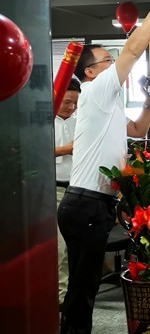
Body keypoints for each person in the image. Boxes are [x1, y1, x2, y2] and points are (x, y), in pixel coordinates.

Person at [58, 0, 150, 334]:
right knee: (81, 290)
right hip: (86, 204)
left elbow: (138, 128)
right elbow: (133, 49)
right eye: (108, 61)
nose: (115, 64)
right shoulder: (95, 90)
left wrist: (149, 102)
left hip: (90, 205)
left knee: (85, 286)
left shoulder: (105, 104)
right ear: (91, 72)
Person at [54, 78, 80, 307]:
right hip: (53, 190)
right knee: (58, 248)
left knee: (72, 247)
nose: (71, 107)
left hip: (76, 191)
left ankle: (68, 297)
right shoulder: (43, 122)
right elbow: (33, 152)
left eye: (75, 103)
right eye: (67, 102)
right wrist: (65, 149)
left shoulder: (79, 122)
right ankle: (58, 301)